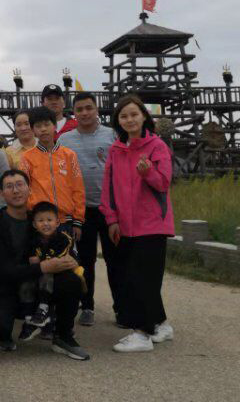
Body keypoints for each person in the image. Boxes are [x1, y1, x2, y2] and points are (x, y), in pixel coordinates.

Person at [0, 170, 90, 360]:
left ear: (29, 189)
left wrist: (71, 259)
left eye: (20, 185)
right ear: (2, 194)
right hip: (6, 287)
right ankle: (16, 321)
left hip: (39, 284)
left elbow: (62, 242)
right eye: (9, 187)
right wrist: (42, 267)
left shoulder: (40, 220)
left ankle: (63, 335)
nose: (16, 191)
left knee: (71, 280)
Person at [101, 95, 174, 353]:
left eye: (134, 114)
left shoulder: (157, 146)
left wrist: (148, 172)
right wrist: (111, 219)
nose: (129, 119)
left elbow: (163, 183)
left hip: (152, 223)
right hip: (125, 224)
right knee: (137, 276)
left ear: (144, 116)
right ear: (118, 121)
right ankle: (161, 324)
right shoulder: (116, 149)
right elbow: (108, 188)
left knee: (143, 279)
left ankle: (142, 334)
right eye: (124, 116)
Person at [58, 92, 117, 326]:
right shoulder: (65, 140)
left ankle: (121, 307)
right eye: (79, 109)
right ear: (73, 113)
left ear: (97, 109)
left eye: (89, 108)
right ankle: (87, 306)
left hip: (110, 208)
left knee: (114, 259)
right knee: (85, 260)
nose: (84, 113)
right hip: (81, 211)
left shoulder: (112, 135)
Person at [19, 201, 85, 341]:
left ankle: (45, 311)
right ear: (34, 224)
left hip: (61, 273)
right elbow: (29, 258)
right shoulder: (32, 240)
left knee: (47, 274)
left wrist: (40, 261)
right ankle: (30, 319)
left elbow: (57, 261)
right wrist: (35, 262)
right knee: (27, 282)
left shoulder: (64, 238)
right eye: (41, 220)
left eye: (49, 220)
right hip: (42, 272)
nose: (45, 224)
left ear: (57, 222)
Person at [21, 106, 86, 239]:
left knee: (66, 253)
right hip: (40, 220)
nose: (43, 129)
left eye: (47, 124)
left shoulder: (69, 155)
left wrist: (78, 220)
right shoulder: (27, 158)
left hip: (66, 221)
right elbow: (25, 188)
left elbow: (78, 188)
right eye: (38, 126)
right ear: (33, 130)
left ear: (55, 126)